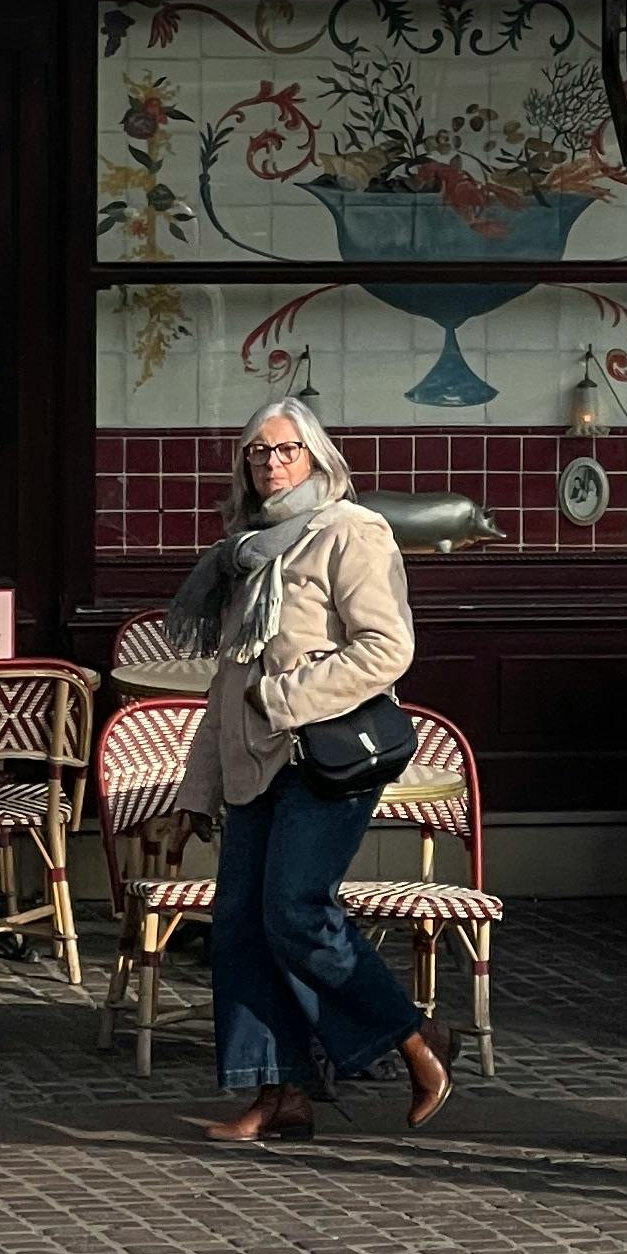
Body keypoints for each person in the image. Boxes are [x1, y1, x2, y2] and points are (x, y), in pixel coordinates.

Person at [163, 398, 454, 1145]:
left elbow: (387, 649)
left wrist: (282, 698)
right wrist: (197, 789)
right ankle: (279, 1093)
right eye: (257, 452)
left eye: (286, 449)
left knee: (294, 910)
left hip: (325, 758)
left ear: (317, 456)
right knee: (239, 926)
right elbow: (228, 680)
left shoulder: (350, 532)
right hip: (252, 761)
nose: (271, 463)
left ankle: (414, 1042)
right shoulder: (245, 551)